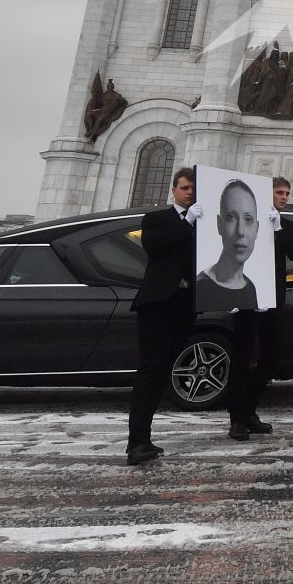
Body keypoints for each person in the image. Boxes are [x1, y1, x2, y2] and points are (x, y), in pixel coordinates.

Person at [126, 167, 199, 466]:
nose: (190, 193)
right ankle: (137, 442)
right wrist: (189, 222)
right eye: (185, 188)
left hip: (185, 304)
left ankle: (145, 439)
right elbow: (155, 247)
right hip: (157, 303)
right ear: (174, 190)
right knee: (151, 370)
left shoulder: (204, 224)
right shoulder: (156, 219)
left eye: (193, 189)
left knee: (165, 368)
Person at [235, 177, 293, 438]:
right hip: (246, 296)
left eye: (287, 193)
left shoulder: (286, 224)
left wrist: (279, 229)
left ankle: (249, 410)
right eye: (279, 192)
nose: (284, 197)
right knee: (241, 358)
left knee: (272, 356)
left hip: (273, 297)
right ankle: (237, 419)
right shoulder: (249, 220)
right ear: (268, 194)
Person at [195, 179, 262, 312]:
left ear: (257, 229)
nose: (240, 231)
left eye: (248, 220)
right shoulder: (201, 287)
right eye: (231, 217)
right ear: (219, 225)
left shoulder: (250, 289)